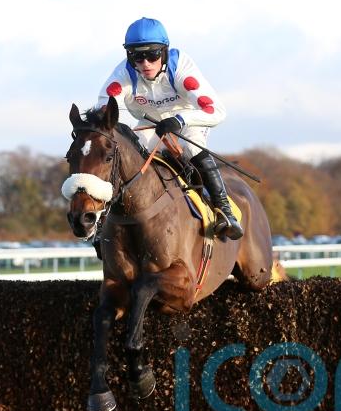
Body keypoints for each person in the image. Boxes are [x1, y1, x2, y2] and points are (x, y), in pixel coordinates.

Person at [94, 17, 243, 244]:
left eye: (152, 55)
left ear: (164, 52)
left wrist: (180, 120)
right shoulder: (123, 73)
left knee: (192, 147)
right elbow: (103, 107)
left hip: (187, 122)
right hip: (149, 124)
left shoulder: (181, 67)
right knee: (123, 156)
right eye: (137, 57)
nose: (145, 63)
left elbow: (217, 111)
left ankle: (224, 211)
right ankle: (103, 223)